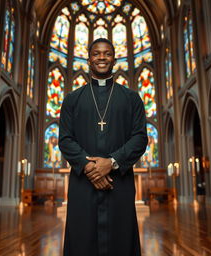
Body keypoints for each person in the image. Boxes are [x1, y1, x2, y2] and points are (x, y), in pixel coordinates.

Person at [58, 38, 148, 256]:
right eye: (96, 54)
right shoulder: (72, 99)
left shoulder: (131, 98)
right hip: (82, 186)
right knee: (82, 242)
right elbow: (65, 139)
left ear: (114, 59)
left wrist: (112, 162)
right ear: (89, 59)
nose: (101, 57)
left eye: (107, 53)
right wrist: (90, 168)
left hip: (120, 185)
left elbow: (140, 138)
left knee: (121, 242)